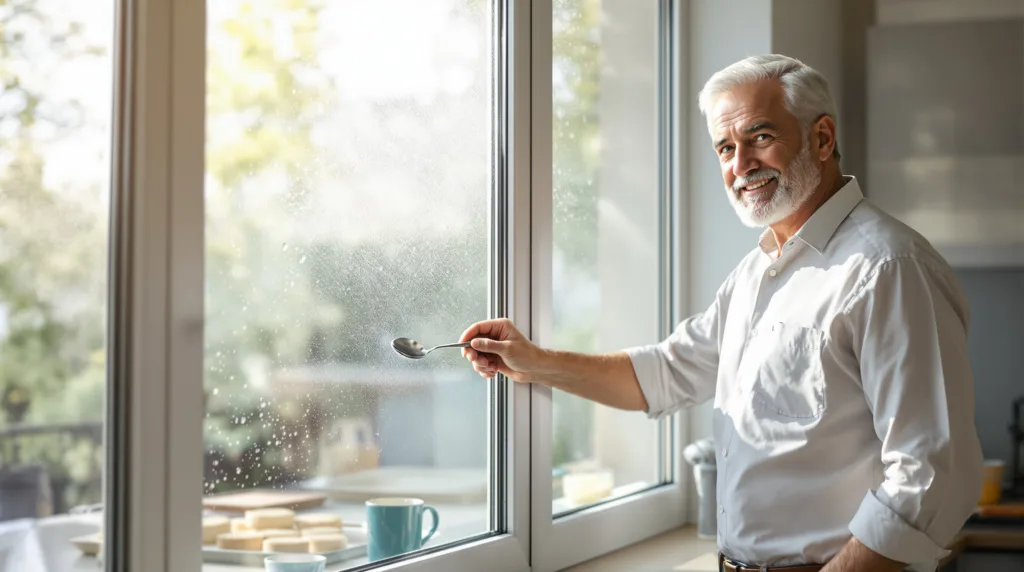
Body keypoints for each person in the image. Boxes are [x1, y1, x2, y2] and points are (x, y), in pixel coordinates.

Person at [459, 54, 984, 572]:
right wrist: (531, 361)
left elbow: (933, 473)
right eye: (725, 148)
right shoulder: (754, 276)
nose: (741, 165)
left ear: (821, 139)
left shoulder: (889, 267)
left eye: (760, 138)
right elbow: (663, 375)